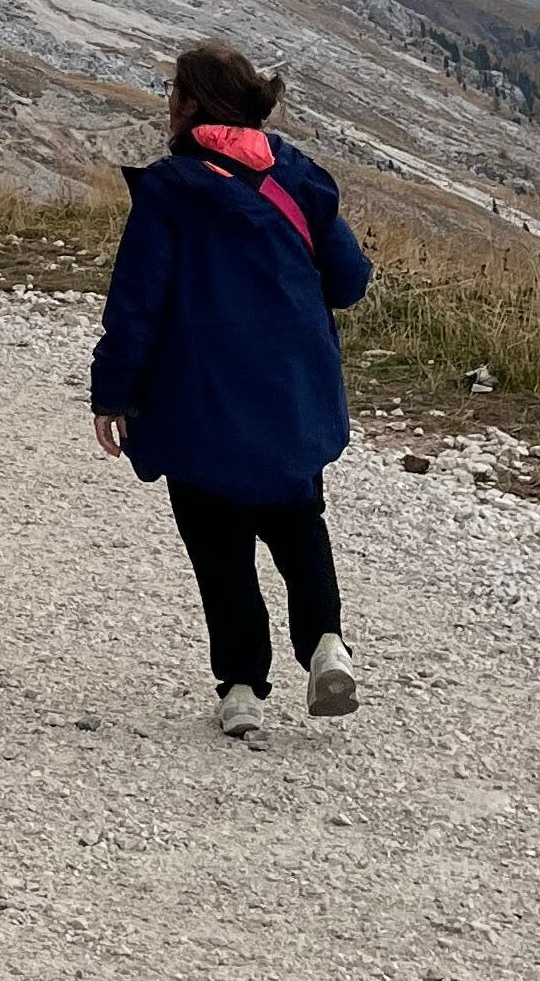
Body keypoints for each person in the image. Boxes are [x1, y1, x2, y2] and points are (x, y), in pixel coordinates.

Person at [90, 39, 372, 741]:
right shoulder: (297, 175)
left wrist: (113, 392)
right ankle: (326, 645)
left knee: (218, 546)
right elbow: (349, 280)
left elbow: (137, 305)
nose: (167, 104)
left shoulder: (168, 191)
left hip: (198, 400)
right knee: (298, 521)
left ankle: (243, 689)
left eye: (173, 93)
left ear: (192, 105)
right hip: (290, 395)